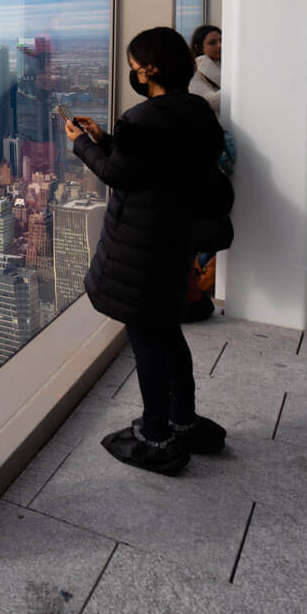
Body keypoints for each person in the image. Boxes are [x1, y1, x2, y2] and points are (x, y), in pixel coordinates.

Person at [63, 27, 226, 475]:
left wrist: (80, 143)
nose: (131, 70)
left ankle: (155, 433)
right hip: (175, 239)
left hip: (141, 245)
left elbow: (121, 175)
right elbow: (156, 168)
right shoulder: (195, 110)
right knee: (169, 333)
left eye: (135, 63)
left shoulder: (141, 118)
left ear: (148, 69)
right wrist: (107, 140)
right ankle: (183, 418)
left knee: (148, 343)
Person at [187, 24, 221, 112]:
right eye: (212, 43)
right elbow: (209, 102)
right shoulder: (193, 72)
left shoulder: (232, 67)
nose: (220, 45)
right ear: (199, 48)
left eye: (222, 40)